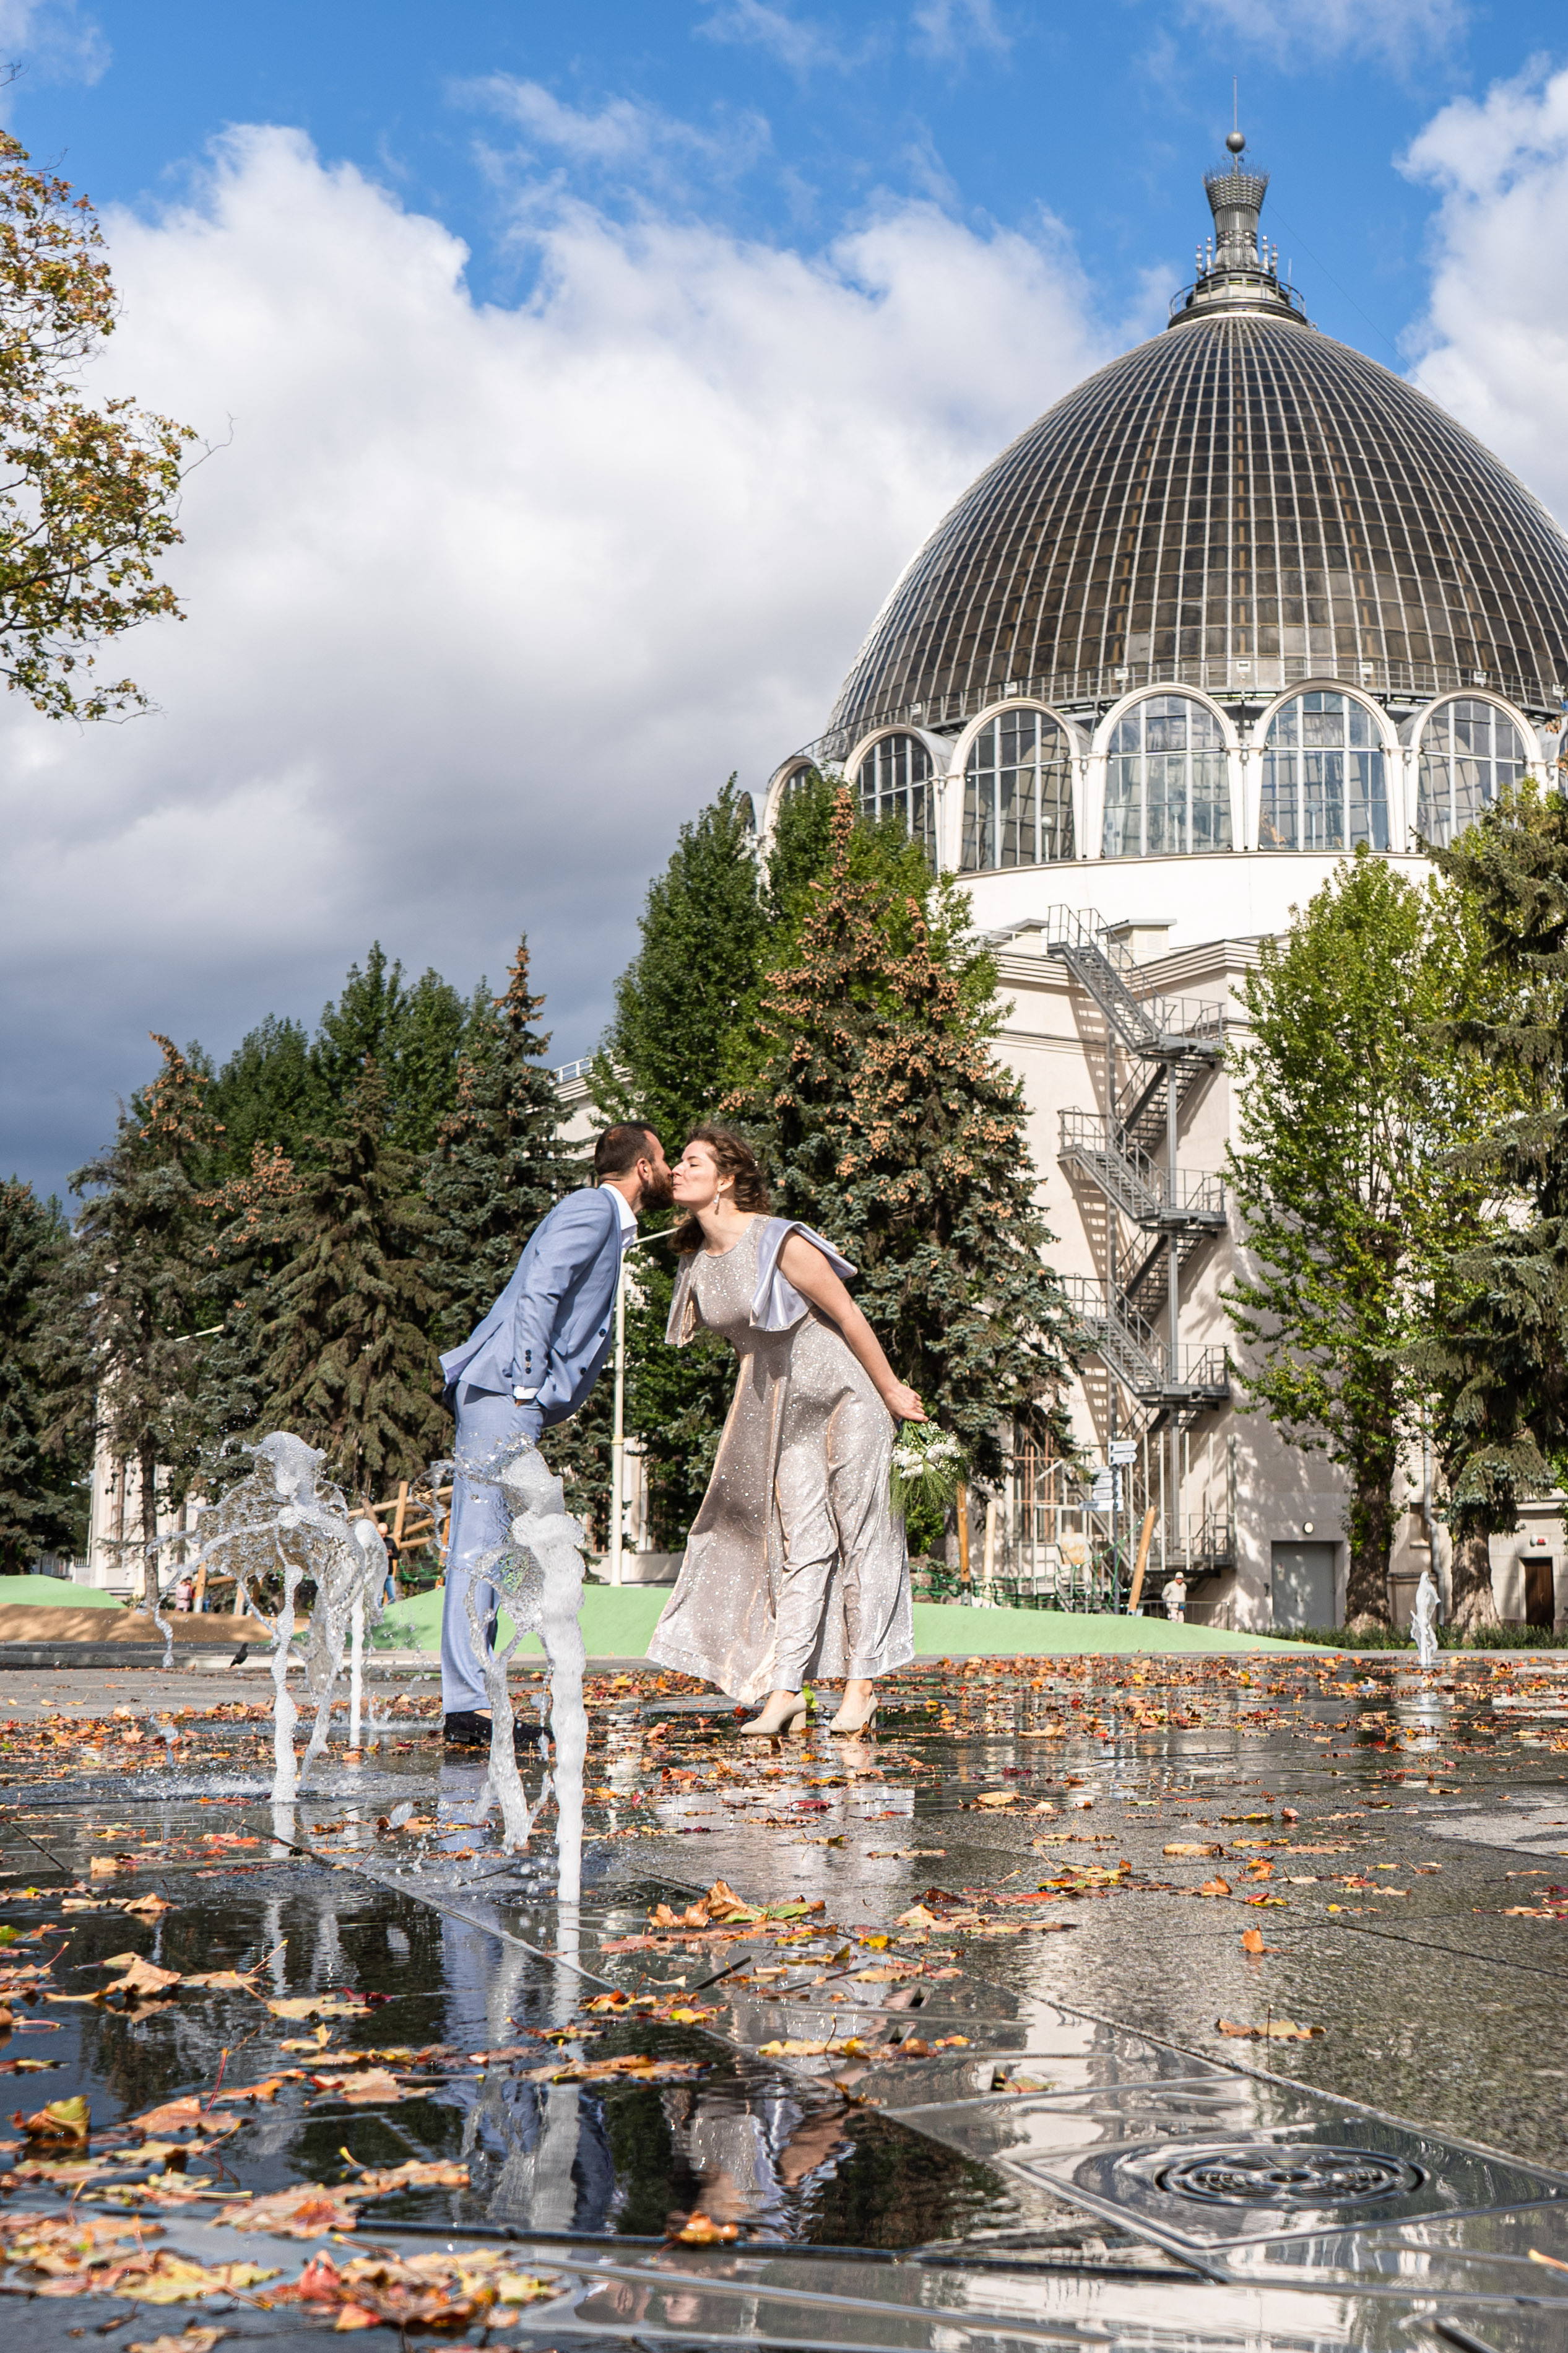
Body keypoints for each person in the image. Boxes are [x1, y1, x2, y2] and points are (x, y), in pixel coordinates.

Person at [647, 1126, 924, 1736]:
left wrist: (889, 1389)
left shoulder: (779, 1240)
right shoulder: (694, 1261)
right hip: (782, 1413)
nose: (677, 1170)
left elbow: (847, 1313)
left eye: (691, 1162)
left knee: (862, 1536)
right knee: (799, 1545)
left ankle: (862, 1684)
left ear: (725, 1179)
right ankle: (786, 1689)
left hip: (848, 1397)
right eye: (678, 1163)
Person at [436, 1120, 674, 1747]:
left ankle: (478, 1700)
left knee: (499, 1547)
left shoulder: (603, 1217)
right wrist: (525, 1383)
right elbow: (542, 1285)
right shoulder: (593, 1207)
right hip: (501, 1395)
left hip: (504, 1398)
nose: (671, 1169)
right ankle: (468, 1706)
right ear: (644, 1167)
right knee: (481, 1545)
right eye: (666, 1159)